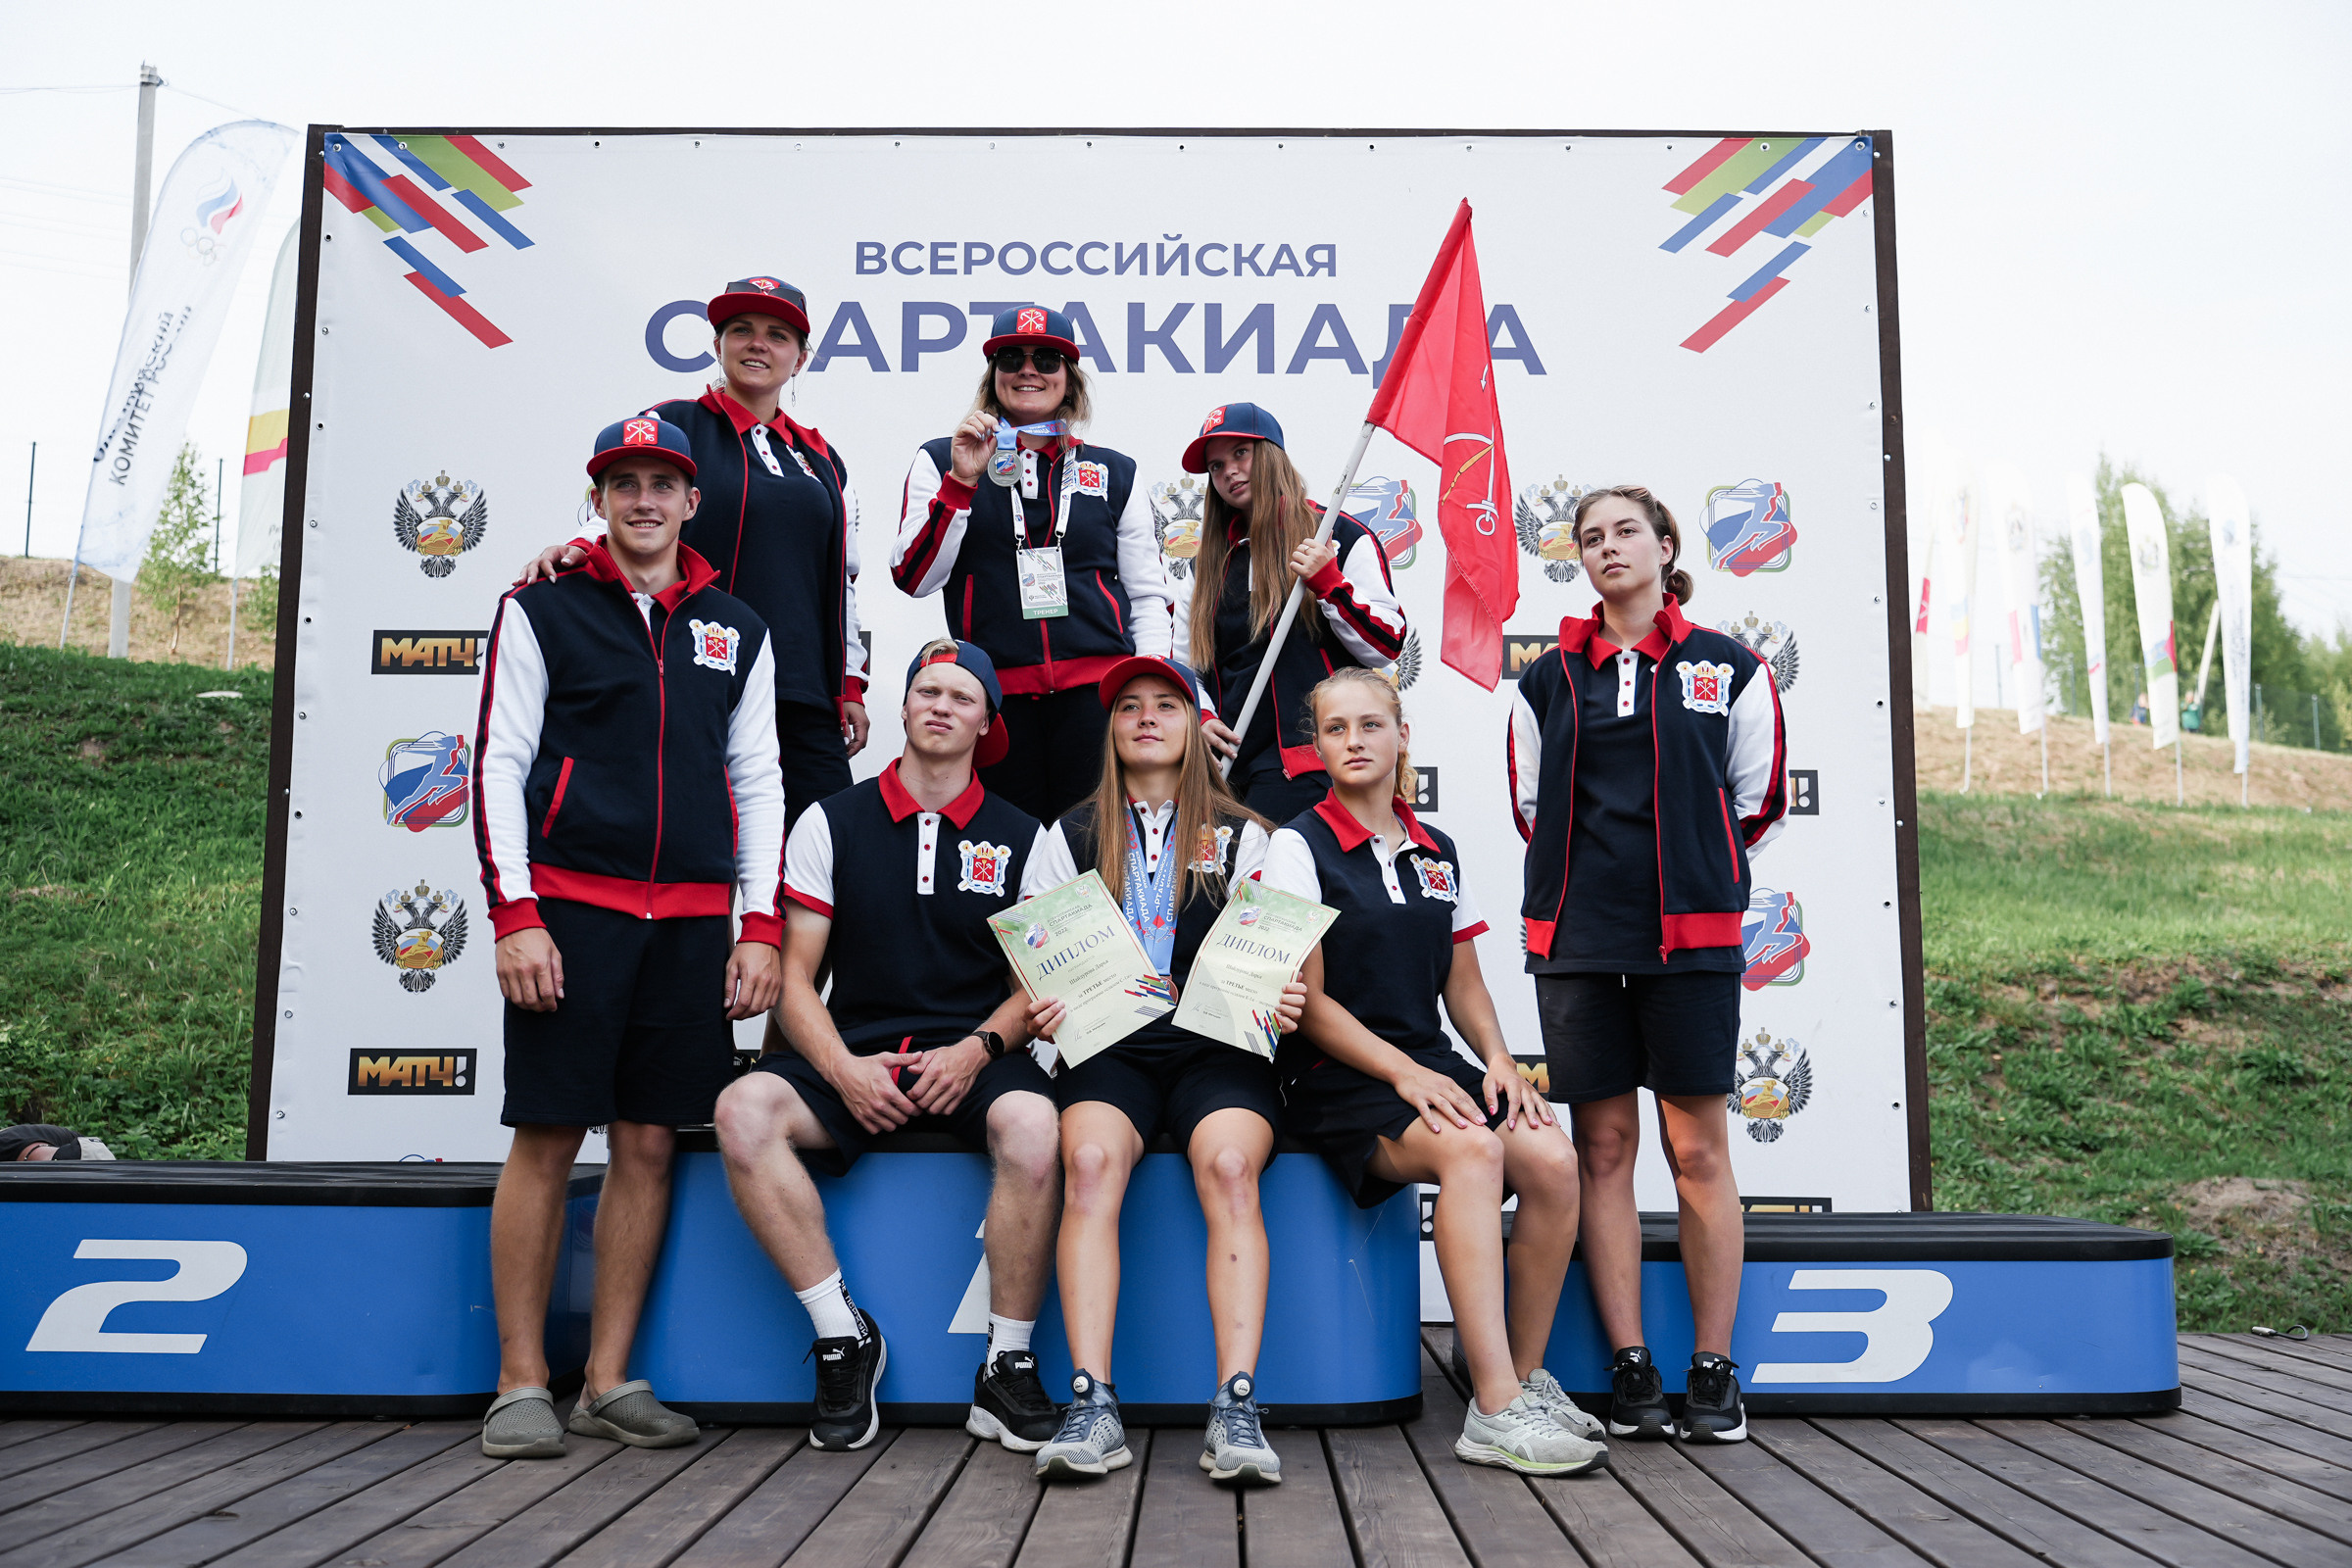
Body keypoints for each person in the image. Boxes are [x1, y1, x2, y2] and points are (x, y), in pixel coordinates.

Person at [473, 415, 786, 1459]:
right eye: (625, 483)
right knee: (551, 1134)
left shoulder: (736, 625)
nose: (644, 499)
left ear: (693, 501)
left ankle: (606, 1380)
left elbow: (758, 782)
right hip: (571, 911)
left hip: (694, 922)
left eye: (663, 482)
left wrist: (757, 924)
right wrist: (515, 913)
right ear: (598, 497)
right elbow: (498, 765)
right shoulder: (541, 603)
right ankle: (522, 1382)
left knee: (650, 1142)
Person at [711, 639, 1063, 1454]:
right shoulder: (830, 818)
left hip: (976, 1055)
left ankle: (1005, 1368)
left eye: (962, 696)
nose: (940, 705)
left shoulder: (1027, 835)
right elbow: (797, 978)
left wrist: (977, 1049)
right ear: (902, 709)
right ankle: (842, 1336)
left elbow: (1040, 985)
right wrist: (841, 1069)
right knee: (742, 1109)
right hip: (858, 1050)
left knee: (1038, 1128)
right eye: (926, 691)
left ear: (987, 724)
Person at [1259, 667, 1605, 1478]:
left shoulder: (1437, 848)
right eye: (1336, 728)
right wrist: (1405, 1076)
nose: (1353, 741)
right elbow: (1305, 1003)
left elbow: (1465, 983)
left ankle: (1521, 1378)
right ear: (1318, 746)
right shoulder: (1294, 843)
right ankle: (1490, 1410)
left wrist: (1499, 1062)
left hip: (1431, 1064)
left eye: (1370, 725)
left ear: (1401, 736)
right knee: (1474, 1152)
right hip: (1338, 1071)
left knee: (1554, 1162)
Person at [1508, 484, 1788, 1445]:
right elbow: (1531, 807)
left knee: (1700, 1151)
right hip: (1580, 945)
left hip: (1692, 945)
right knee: (1604, 1153)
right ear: (1578, 561)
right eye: (1590, 537)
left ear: (1667, 546)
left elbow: (1753, 801)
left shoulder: (1731, 665)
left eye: (1627, 530)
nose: (1607, 547)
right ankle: (1631, 1366)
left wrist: (1692, 875)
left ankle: (1714, 1370)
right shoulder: (1544, 678)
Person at [1020, 656, 1304, 1486]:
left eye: (1167, 706)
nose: (1147, 719)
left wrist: (1280, 998)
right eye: (1130, 707)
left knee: (1228, 1166)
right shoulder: (1068, 833)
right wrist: (1041, 998)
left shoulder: (1247, 833)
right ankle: (1093, 1403)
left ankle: (1237, 1406)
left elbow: (1275, 961)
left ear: (1195, 726)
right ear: (1109, 728)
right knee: (1090, 1161)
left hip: (1214, 1043)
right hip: (1112, 1046)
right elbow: (1032, 961)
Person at [518, 276, 869, 829]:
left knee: (815, 868)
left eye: (778, 335)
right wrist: (577, 550)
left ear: (801, 359)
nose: (758, 344)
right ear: (717, 346)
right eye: (741, 330)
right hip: (695, 680)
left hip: (800, 693)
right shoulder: (674, 423)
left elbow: (842, 580)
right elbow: (618, 513)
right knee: (699, 852)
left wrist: (848, 684)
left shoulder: (823, 456)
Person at [894, 307, 1173, 822]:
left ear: (1069, 379)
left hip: (1096, 698)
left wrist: (1150, 692)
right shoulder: (941, 459)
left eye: (1046, 359)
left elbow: (1149, 595)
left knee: (1092, 857)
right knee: (1008, 858)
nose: (1028, 370)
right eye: (1010, 359)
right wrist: (961, 483)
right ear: (992, 375)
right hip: (995, 701)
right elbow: (914, 578)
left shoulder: (1114, 470)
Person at [1171, 404, 1408, 825]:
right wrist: (1201, 717)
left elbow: (1386, 643)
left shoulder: (1338, 535)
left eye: (1241, 453)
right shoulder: (1203, 566)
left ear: (1272, 454)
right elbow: (1188, 667)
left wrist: (1329, 584)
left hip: (1321, 768)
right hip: (1230, 776)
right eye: (1216, 465)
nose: (1228, 471)